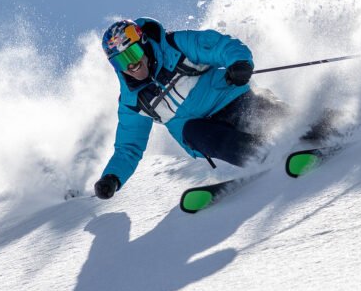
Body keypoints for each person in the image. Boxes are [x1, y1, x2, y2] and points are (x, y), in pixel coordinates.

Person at [93, 17, 288, 200]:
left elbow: (219, 45)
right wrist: (112, 177)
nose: (131, 64)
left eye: (133, 54)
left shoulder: (175, 46)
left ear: (144, 43)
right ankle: (264, 156)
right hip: (200, 129)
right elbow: (129, 147)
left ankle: (312, 126)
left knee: (264, 114)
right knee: (196, 133)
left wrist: (239, 63)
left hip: (230, 98)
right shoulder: (133, 101)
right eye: (121, 61)